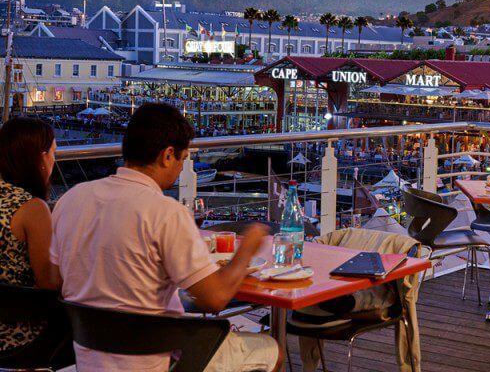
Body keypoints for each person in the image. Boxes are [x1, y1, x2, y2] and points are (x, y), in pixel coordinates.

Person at [49, 103, 282, 372]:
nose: (182, 167)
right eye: (183, 159)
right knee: (271, 350)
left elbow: (56, 280)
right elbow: (214, 299)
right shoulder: (165, 213)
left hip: (89, 359)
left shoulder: (71, 199)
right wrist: (247, 249)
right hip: (158, 360)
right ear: (168, 155)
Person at [0, 117, 58, 351]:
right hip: (18, 336)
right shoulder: (31, 208)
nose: (55, 160)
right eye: (53, 152)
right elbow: (49, 282)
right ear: (40, 158)